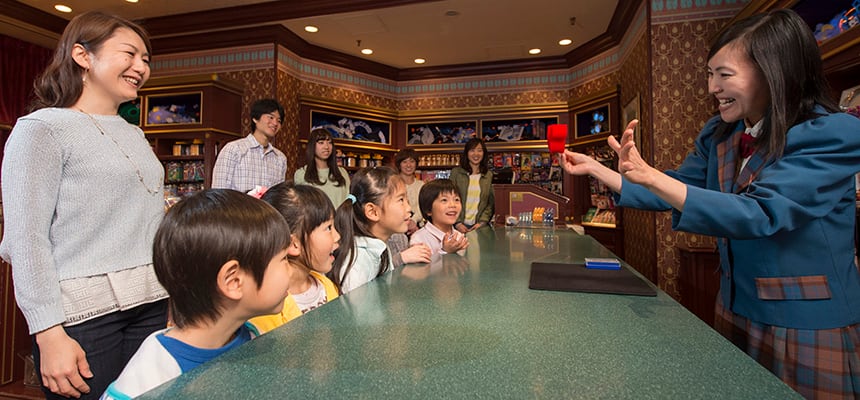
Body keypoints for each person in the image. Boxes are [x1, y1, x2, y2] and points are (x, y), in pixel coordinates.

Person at [559, 9, 860, 398]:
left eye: (724, 74)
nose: (711, 88)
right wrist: (601, 171)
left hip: (807, 323)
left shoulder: (832, 133)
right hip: (734, 305)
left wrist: (650, 174)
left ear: (774, 71)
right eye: (709, 74)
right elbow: (675, 188)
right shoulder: (720, 135)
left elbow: (761, 211)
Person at [0, 11, 168, 399]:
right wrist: (48, 333)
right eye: (130, 54)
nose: (140, 67)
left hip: (152, 303)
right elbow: (26, 240)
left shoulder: (134, 133)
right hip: (86, 317)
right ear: (81, 55)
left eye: (146, 59)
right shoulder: (41, 129)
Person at [101, 189, 293, 399]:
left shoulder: (251, 337)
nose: (291, 270)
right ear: (233, 281)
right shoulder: (151, 378)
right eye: (284, 259)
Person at [248, 182, 342, 334]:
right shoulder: (265, 309)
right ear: (294, 244)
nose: (337, 236)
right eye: (328, 228)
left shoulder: (327, 286)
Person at [331, 167, 412, 293]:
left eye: (407, 200)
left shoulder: (380, 248)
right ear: (372, 212)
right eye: (401, 200)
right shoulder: (357, 263)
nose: (409, 208)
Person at [212, 98, 287, 192]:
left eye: (279, 120)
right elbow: (218, 193)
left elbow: (278, 196)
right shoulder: (234, 149)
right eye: (271, 117)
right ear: (255, 118)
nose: (275, 123)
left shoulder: (280, 158)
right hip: (237, 206)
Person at [410, 179, 469, 255]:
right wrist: (445, 251)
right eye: (444, 200)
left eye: (456, 199)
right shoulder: (418, 239)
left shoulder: (459, 237)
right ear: (429, 210)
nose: (453, 205)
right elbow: (422, 266)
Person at [294, 128, 350, 206]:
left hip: (340, 218)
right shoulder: (301, 174)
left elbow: (349, 202)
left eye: (329, 142)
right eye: (321, 143)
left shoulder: (342, 172)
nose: (326, 147)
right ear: (312, 146)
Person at [450, 138, 495, 233]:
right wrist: (457, 223)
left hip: (479, 227)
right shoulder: (456, 173)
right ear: (466, 153)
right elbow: (450, 200)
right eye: (472, 150)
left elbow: (490, 204)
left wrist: (482, 222)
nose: (476, 154)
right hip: (457, 226)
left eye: (479, 150)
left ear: (484, 153)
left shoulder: (488, 175)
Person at [393, 148, 424, 234]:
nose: (408, 165)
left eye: (412, 161)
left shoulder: (421, 185)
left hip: (418, 227)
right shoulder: (393, 185)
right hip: (397, 228)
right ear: (399, 165)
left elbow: (422, 207)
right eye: (404, 162)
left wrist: (413, 221)